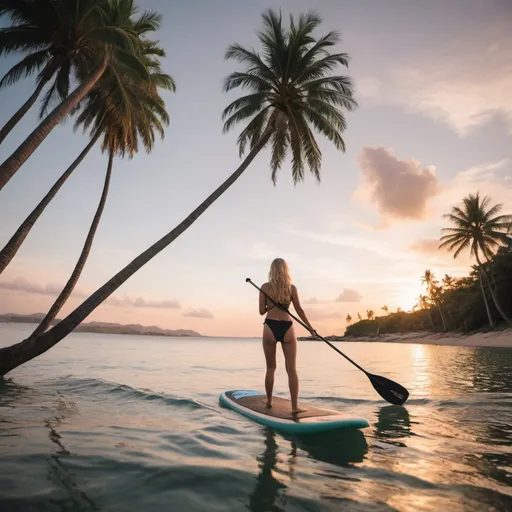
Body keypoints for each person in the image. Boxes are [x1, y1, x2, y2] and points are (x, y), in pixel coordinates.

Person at [259, 258, 317, 414]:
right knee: (292, 370)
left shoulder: (265, 287)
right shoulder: (291, 288)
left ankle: (269, 401)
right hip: (287, 327)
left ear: (272, 270)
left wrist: (271, 305)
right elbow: (299, 310)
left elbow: (261, 311)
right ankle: (294, 407)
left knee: (270, 368)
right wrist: (311, 329)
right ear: (286, 270)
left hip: (270, 327)